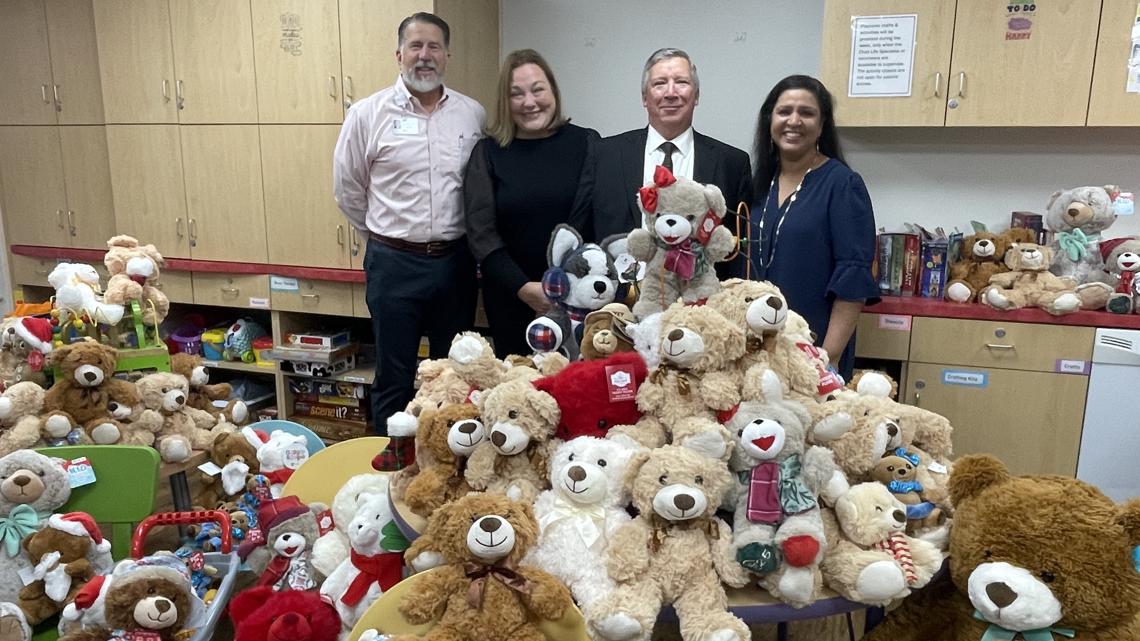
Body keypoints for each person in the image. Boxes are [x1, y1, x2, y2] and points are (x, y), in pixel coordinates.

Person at [333, 12, 484, 437]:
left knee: (453, 375)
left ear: (447, 56)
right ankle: (388, 473)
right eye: (415, 46)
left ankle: (444, 469)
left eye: (433, 46)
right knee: (394, 374)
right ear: (399, 54)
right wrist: (385, 237)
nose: (424, 56)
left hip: (455, 263)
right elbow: (348, 190)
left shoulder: (472, 114)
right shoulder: (367, 114)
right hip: (393, 263)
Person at [569, 47, 752, 276]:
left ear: (696, 95)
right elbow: (580, 236)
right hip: (619, 304)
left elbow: (739, 254)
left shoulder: (732, 163)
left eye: (681, 82)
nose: (671, 92)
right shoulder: (604, 155)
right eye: (660, 83)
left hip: (701, 305)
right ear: (645, 97)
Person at [464, 49, 599, 358]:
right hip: (512, 296)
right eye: (516, 94)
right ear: (505, 101)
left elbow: (589, 218)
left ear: (553, 90)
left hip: (579, 296)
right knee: (518, 395)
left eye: (538, 89)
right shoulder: (488, 153)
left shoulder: (587, 143)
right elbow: (481, 234)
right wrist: (527, 291)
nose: (529, 102)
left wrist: (563, 289)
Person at [748, 75, 879, 380]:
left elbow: (853, 281)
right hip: (752, 350)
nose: (794, 120)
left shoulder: (843, 185)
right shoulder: (756, 183)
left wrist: (827, 359)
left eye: (806, 113)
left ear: (822, 125)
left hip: (812, 352)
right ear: (770, 120)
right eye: (784, 111)